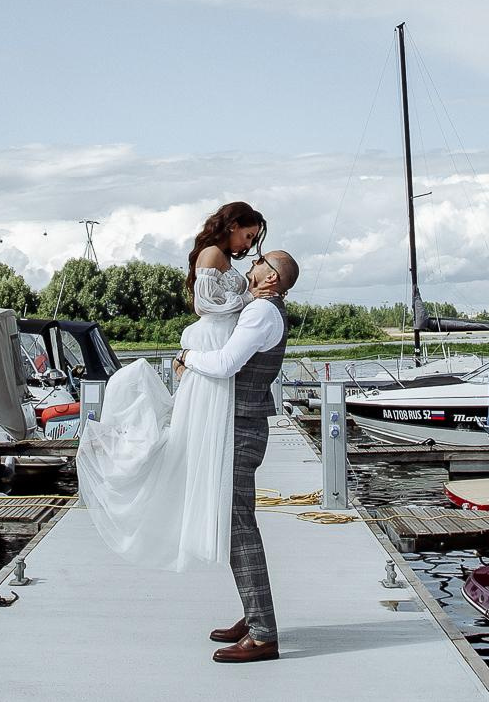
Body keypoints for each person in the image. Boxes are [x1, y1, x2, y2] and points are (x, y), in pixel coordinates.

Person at [75, 201, 265, 571]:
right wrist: (250, 297)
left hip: (216, 341)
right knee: (184, 437)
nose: (248, 244)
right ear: (232, 225)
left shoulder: (222, 256)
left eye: (254, 239)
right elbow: (205, 304)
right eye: (248, 234)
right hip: (210, 339)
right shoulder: (211, 253)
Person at [178, 248, 297, 664]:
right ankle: (254, 614)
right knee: (236, 526)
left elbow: (227, 363)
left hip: (240, 429)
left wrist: (187, 358)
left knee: (239, 529)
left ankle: (264, 634)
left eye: (260, 262)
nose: (251, 264)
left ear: (273, 278)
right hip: (240, 425)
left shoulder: (262, 313)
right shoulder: (263, 309)